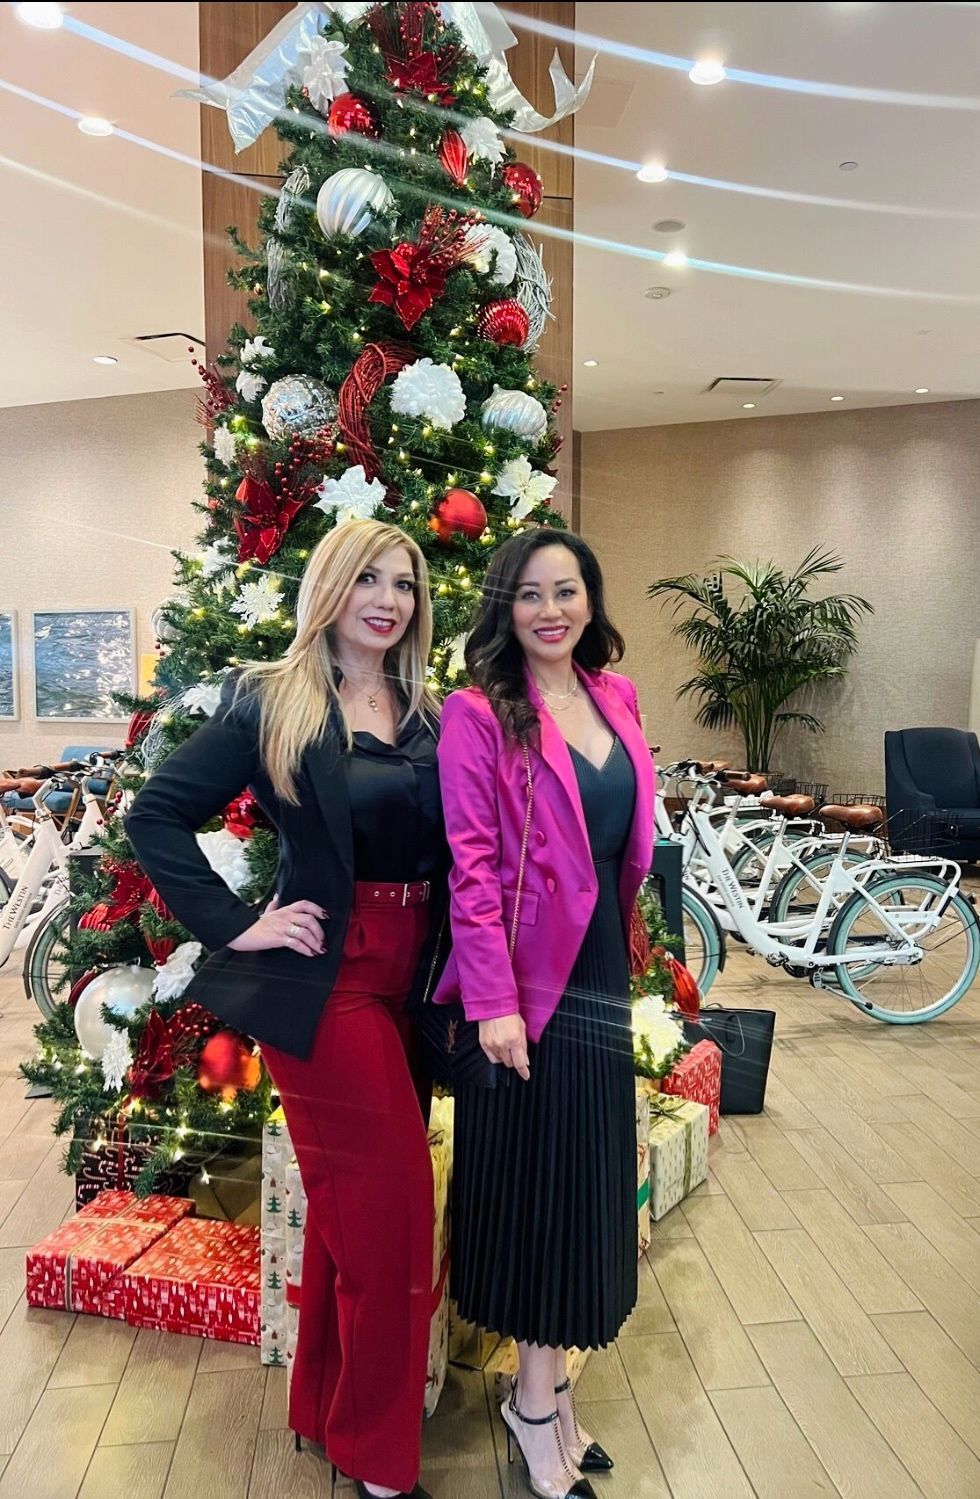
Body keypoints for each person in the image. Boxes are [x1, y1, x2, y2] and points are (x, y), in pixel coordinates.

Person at [126, 519, 445, 1499]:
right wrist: (235, 923)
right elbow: (154, 811)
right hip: (328, 985)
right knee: (392, 1214)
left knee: (353, 1217)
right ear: (331, 588)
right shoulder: (272, 700)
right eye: (366, 579)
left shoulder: (430, 710)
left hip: (417, 984)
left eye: (402, 581)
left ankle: (325, 1407)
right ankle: (378, 1462)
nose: (386, 598)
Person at [431, 529, 655, 1499]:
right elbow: (470, 868)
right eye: (529, 593)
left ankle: (551, 1382)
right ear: (505, 606)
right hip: (525, 987)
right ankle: (530, 1400)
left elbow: (621, 843)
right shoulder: (479, 714)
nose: (550, 609)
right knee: (537, 1183)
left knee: (584, 1178)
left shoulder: (616, 696)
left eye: (565, 590)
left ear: (589, 599)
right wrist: (492, 1003)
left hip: (600, 965)